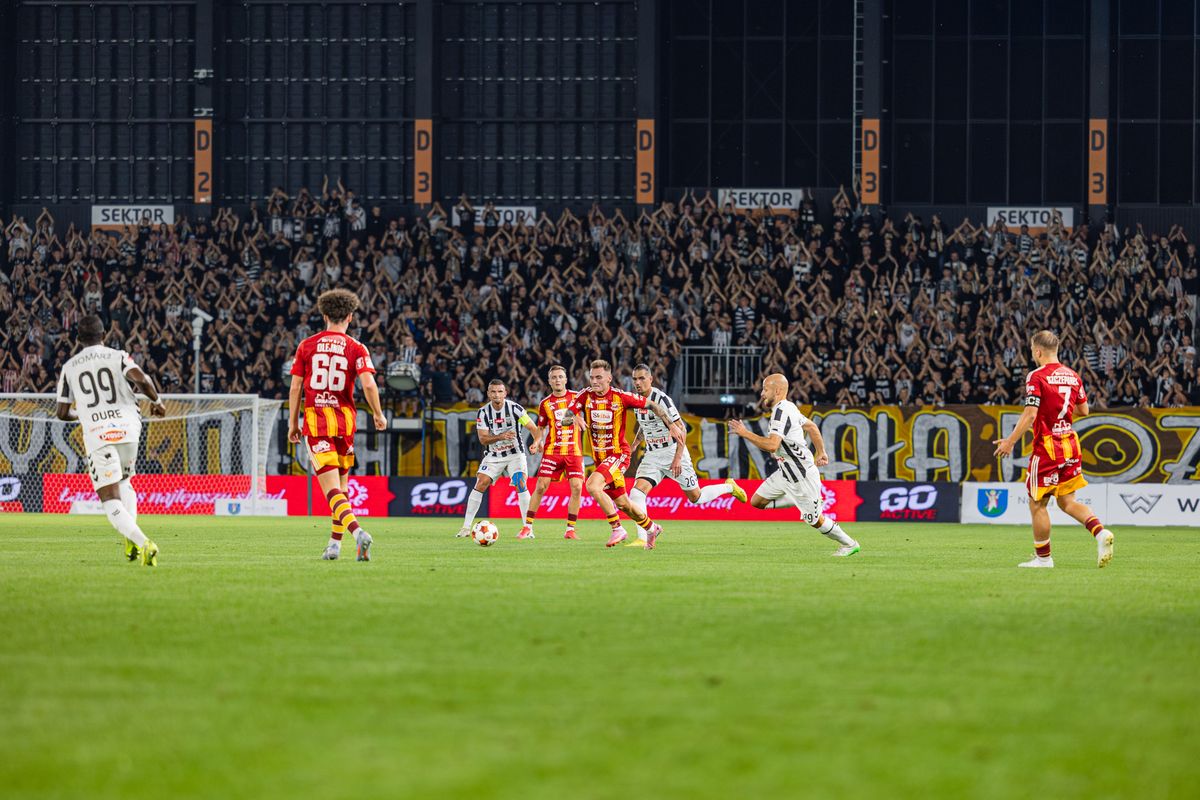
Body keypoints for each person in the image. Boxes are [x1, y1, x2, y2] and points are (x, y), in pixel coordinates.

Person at [992, 330, 1114, 568]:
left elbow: (1030, 414)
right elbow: (1084, 410)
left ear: (1038, 352)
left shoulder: (1036, 376)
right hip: (1070, 444)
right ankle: (1101, 533)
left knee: (1037, 503)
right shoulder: (1073, 375)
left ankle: (1043, 559)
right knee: (1067, 502)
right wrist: (1058, 411)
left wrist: (1010, 441)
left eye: (1032, 351)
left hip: (1048, 447)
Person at [55, 314, 166, 566]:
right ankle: (131, 540)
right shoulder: (118, 356)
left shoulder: (69, 367)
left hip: (99, 434)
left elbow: (62, 412)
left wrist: (81, 414)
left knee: (110, 499)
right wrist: (157, 402)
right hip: (129, 430)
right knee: (125, 482)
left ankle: (144, 542)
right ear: (104, 335)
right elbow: (141, 379)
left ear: (78, 339)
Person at [287, 288, 387, 561]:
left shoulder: (307, 345)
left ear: (324, 315)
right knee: (342, 488)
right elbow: (369, 384)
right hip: (345, 423)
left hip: (317, 422)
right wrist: (378, 414)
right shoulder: (357, 347)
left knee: (331, 490)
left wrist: (293, 423)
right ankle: (334, 545)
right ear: (350, 317)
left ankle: (358, 533)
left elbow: (295, 387)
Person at [729, 373, 861, 556]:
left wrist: (745, 433)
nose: (762, 394)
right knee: (757, 501)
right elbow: (811, 427)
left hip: (802, 475)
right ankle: (795, 499)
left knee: (815, 521)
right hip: (785, 472)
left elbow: (772, 445)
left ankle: (850, 544)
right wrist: (821, 452)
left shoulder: (781, 413)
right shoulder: (789, 407)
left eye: (765, 389)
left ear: (777, 391)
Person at [565, 359, 683, 549]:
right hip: (601, 459)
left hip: (619, 454)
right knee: (623, 504)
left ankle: (617, 528)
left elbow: (654, 405)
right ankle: (651, 528)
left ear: (609, 378)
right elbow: (565, 418)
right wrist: (574, 417)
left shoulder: (621, 397)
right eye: (592, 377)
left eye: (599, 377)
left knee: (593, 486)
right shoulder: (584, 395)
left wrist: (671, 425)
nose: (594, 381)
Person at [625, 363, 746, 548]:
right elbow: (645, 425)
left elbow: (681, 429)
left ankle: (729, 487)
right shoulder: (637, 401)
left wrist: (677, 458)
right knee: (636, 492)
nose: (638, 382)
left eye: (642, 378)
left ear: (651, 379)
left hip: (672, 451)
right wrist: (634, 444)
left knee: (696, 497)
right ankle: (643, 537)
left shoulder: (662, 400)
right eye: (635, 379)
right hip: (652, 455)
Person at [457, 379, 539, 538]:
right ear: (488, 394)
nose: (496, 395)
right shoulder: (483, 412)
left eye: (500, 391)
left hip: (515, 454)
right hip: (493, 455)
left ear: (505, 393)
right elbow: (483, 439)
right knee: (481, 483)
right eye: (493, 392)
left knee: (520, 483)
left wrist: (536, 443)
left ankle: (528, 529)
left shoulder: (515, 409)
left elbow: (533, 428)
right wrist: (501, 436)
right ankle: (466, 528)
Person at [523, 365, 585, 540]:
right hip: (552, 451)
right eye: (554, 377)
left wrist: (578, 418)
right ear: (549, 382)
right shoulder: (545, 403)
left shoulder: (577, 397)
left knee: (577, 487)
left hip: (573, 451)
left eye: (560, 377)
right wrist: (537, 442)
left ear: (566, 379)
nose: (557, 380)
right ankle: (527, 527)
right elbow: (541, 428)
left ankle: (570, 530)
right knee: (541, 486)